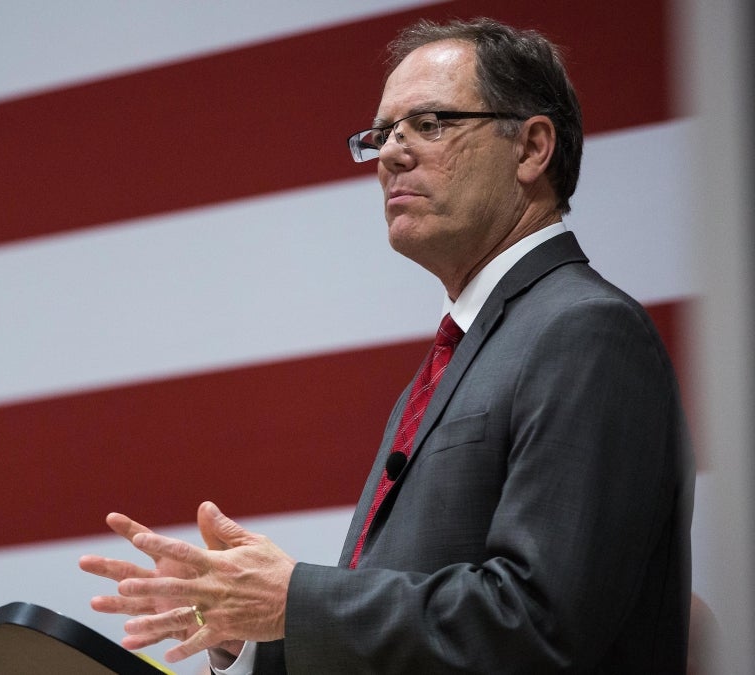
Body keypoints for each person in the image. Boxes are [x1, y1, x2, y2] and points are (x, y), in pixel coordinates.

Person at [79, 17, 693, 674]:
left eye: (429, 124)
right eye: (382, 135)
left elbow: (540, 622)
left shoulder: (586, 332)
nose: (391, 155)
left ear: (531, 147)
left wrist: (297, 598)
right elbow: (406, 628)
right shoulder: (450, 363)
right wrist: (251, 625)